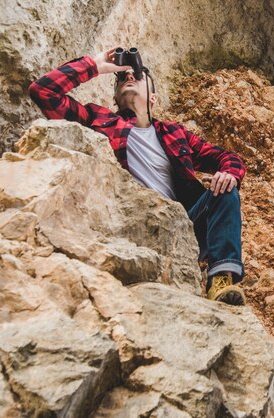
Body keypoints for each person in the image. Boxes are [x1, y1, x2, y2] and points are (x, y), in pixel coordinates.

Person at [29, 48, 247, 305]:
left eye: (138, 75)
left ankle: (220, 280)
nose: (129, 77)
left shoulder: (174, 133)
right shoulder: (100, 120)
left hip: (182, 225)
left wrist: (228, 173)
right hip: (131, 223)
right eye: (122, 78)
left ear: (153, 98)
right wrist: (97, 65)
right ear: (115, 97)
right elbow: (43, 91)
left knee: (225, 190)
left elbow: (229, 158)